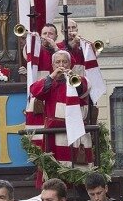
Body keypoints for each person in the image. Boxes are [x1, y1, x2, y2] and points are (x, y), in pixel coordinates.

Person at [30, 50, 93, 182]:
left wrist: (71, 76)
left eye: (65, 62)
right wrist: (52, 76)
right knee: (54, 169)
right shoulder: (49, 82)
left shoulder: (77, 78)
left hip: (73, 133)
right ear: (52, 65)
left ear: (70, 64)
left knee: (75, 169)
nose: (61, 65)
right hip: (53, 134)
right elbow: (35, 91)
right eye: (57, 62)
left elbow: (85, 88)